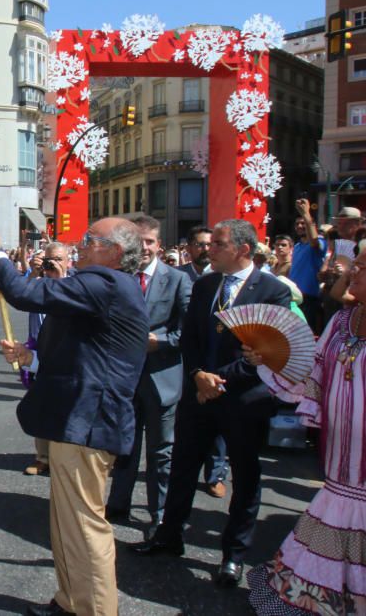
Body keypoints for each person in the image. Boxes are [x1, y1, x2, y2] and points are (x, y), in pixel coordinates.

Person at [0, 217, 149, 616]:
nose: (81, 245)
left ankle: (93, 610)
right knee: (67, 523)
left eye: (91, 240)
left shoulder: (107, 283)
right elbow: (86, 353)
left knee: (85, 527)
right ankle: (72, 601)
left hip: (87, 423)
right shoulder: (106, 287)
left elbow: (23, 292)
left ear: (116, 253)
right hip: (76, 419)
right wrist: (32, 356)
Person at [134, 219, 292, 588]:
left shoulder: (272, 291)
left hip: (244, 399)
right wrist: (197, 377)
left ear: (242, 250)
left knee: (246, 478)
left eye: (218, 244)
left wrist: (219, 380)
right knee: (183, 468)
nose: (209, 249)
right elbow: (189, 338)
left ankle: (234, 556)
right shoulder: (205, 285)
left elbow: (268, 352)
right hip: (199, 395)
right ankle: (169, 535)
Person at [247, 248, 366, 614]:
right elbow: (313, 372)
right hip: (338, 454)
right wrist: (269, 357)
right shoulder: (342, 320)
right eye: (356, 262)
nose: (353, 269)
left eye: (363, 266)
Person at [106, 216, 192, 534]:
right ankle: (118, 503)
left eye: (149, 242)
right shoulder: (118, 277)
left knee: (161, 452)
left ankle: (159, 512)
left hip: (162, 378)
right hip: (124, 379)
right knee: (124, 445)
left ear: (159, 245)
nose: (143, 247)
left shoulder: (178, 280)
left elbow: (188, 331)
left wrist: (162, 342)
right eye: (138, 241)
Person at [176, 225, 229, 498]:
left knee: (218, 423)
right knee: (188, 420)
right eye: (199, 244)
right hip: (186, 356)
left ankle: (216, 473)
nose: (206, 249)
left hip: (217, 362)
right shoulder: (179, 275)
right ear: (189, 248)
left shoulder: (223, 278)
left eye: (211, 244)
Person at [21, 241, 71, 478]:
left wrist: (60, 277)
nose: (53, 263)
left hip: (67, 353)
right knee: (41, 405)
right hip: (39, 351)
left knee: (66, 407)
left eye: (58, 259)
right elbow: (21, 294)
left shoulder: (75, 285)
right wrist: (33, 270)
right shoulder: (37, 283)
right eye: (49, 259)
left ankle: (63, 457)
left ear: (68, 261)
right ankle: (42, 458)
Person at [290, 198, 326, 332]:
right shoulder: (297, 246)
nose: (300, 226)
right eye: (297, 224)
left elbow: (314, 242)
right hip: (294, 298)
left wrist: (306, 214)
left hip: (309, 299)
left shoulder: (319, 242)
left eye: (303, 223)